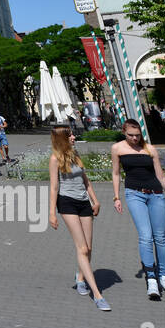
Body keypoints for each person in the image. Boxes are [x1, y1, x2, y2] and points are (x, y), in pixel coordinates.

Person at [112, 119, 165, 300]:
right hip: (134, 194)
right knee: (145, 235)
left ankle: (164, 277)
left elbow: (160, 175)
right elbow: (116, 173)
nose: (135, 138)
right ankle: (151, 279)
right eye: (131, 135)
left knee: (160, 237)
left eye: (137, 135)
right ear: (124, 132)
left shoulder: (150, 149)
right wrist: (116, 197)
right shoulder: (118, 148)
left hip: (156, 194)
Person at [48, 125, 109, 311]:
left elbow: (85, 180)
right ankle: (97, 294)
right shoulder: (54, 159)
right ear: (62, 139)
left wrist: (95, 200)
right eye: (70, 135)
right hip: (67, 203)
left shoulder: (75, 155)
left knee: (89, 248)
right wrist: (52, 213)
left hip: (84, 202)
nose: (74, 137)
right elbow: (54, 187)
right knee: (81, 248)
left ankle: (80, 278)